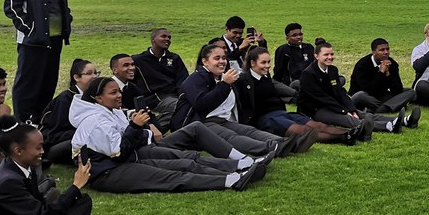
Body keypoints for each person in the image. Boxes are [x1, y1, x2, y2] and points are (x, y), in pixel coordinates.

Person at [70, 78, 262, 193]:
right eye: (114, 93)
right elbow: (118, 151)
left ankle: (237, 170)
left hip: (126, 159)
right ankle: (230, 180)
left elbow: (129, 141)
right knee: (170, 176)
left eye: (119, 91)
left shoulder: (109, 111)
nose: (119, 95)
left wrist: (138, 127)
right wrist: (135, 127)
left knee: (185, 163)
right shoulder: (95, 120)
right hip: (107, 173)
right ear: (98, 98)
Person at [174, 44, 290, 157]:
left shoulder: (225, 77)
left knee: (249, 131)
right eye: (217, 58)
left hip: (223, 121)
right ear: (205, 61)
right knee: (231, 137)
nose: (222, 61)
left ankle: (284, 142)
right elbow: (201, 104)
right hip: (198, 124)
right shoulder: (194, 79)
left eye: (224, 58)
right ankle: (271, 148)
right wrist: (225, 84)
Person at [3, 0, 72, 121]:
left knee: (48, 82)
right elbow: (11, 6)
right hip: (33, 40)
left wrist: (68, 19)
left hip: (56, 38)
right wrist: (29, 28)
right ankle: (23, 121)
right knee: (28, 84)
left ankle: (41, 120)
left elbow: (61, 1)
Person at [238, 47, 348, 148]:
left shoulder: (266, 77)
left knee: (317, 125)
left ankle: (351, 133)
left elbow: (280, 89)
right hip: (266, 119)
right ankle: (343, 137)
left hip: (280, 112)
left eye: (268, 62)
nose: (267, 66)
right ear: (252, 63)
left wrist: (296, 93)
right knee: (304, 130)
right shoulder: (243, 80)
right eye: (263, 62)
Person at [297, 43, 405, 139]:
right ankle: (388, 126)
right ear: (316, 56)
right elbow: (322, 98)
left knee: (362, 114)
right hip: (315, 110)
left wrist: (352, 109)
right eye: (326, 55)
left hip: (332, 105)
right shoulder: (309, 74)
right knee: (347, 119)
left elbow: (340, 92)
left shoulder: (333, 70)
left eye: (332, 54)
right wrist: (344, 111)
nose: (330, 57)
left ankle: (402, 120)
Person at [39, 58, 99, 165]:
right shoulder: (65, 99)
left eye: (96, 73)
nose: (94, 76)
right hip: (56, 145)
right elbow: (53, 135)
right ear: (76, 77)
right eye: (89, 73)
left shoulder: (94, 96)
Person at [349, 39, 420, 121]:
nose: (386, 52)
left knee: (410, 92)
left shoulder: (392, 63)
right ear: (374, 52)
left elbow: (397, 90)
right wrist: (381, 72)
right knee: (360, 95)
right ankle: (394, 106)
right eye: (382, 50)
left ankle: (380, 109)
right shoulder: (362, 65)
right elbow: (369, 90)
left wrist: (388, 74)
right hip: (366, 97)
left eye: (387, 49)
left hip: (382, 96)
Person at [131, 29, 188, 129]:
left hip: (174, 95)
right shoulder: (138, 60)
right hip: (154, 98)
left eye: (169, 37)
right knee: (183, 108)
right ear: (153, 39)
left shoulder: (174, 58)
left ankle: (157, 128)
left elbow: (182, 79)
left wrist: (183, 96)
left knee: (186, 108)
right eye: (163, 36)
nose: (167, 39)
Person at [273, 23, 315, 91]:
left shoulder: (309, 48)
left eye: (300, 34)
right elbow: (278, 71)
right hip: (292, 85)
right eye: (294, 35)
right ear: (287, 38)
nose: (298, 37)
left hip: (310, 82)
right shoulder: (283, 50)